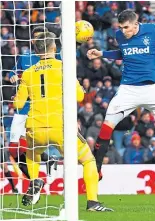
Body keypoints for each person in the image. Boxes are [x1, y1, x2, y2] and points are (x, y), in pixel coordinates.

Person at [87, 10, 155, 178]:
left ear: (136, 24)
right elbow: (123, 53)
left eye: (127, 27)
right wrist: (102, 53)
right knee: (105, 128)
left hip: (152, 89)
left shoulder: (154, 30)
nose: (124, 31)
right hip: (127, 90)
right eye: (121, 28)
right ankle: (97, 169)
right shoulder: (120, 36)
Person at [13, 32, 113, 212]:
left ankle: (35, 179)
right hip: (60, 127)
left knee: (32, 154)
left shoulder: (27, 73)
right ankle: (92, 202)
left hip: (35, 127)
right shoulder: (63, 68)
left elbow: (18, 104)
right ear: (54, 48)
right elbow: (80, 96)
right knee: (88, 160)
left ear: (36, 51)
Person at [8, 26, 58, 176]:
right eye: (36, 38)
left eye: (41, 38)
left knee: (27, 144)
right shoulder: (25, 58)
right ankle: (46, 162)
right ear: (32, 40)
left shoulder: (55, 58)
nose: (37, 41)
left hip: (39, 108)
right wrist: (13, 76)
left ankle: (34, 181)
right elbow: (12, 72)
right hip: (22, 106)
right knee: (12, 149)